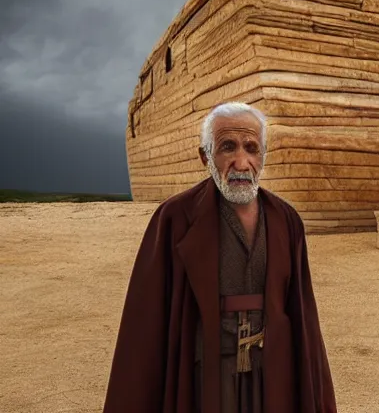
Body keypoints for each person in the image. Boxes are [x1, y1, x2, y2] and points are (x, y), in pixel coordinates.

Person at [102, 102, 337, 413]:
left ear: (263, 155)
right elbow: (146, 323)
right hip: (205, 372)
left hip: (272, 369)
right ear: (206, 156)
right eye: (228, 147)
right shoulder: (175, 218)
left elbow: (303, 310)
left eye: (251, 148)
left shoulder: (286, 220)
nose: (242, 162)